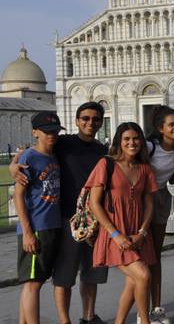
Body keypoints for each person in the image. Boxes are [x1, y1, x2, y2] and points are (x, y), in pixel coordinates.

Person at [10, 102, 110, 324]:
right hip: (64, 220)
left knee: (91, 273)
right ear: (76, 121)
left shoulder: (103, 151)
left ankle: (88, 316)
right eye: (85, 118)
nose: (90, 122)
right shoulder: (63, 143)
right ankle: (64, 320)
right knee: (62, 277)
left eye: (95, 119)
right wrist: (14, 165)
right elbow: (31, 152)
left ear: (101, 122)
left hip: (93, 221)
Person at [87, 122, 158, 324]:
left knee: (132, 282)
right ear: (119, 141)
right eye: (126, 139)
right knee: (143, 276)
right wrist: (115, 234)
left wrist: (143, 232)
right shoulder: (106, 164)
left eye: (136, 138)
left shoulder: (144, 168)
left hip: (138, 233)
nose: (132, 142)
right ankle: (145, 321)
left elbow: (149, 203)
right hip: (114, 233)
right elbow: (94, 203)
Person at [14, 112, 64, 324]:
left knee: (36, 280)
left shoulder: (53, 155)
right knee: (33, 282)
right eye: (46, 132)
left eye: (54, 131)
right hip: (36, 227)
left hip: (52, 225)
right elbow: (18, 196)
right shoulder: (29, 158)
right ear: (35, 132)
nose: (51, 135)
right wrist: (27, 232)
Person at [143, 106, 174, 324]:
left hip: (161, 199)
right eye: (172, 124)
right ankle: (142, 311)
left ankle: (156, 308)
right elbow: (117, 155)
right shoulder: (149, 147)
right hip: (142, 200)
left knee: (155, 256)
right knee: (141, 259)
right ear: (160, 128)